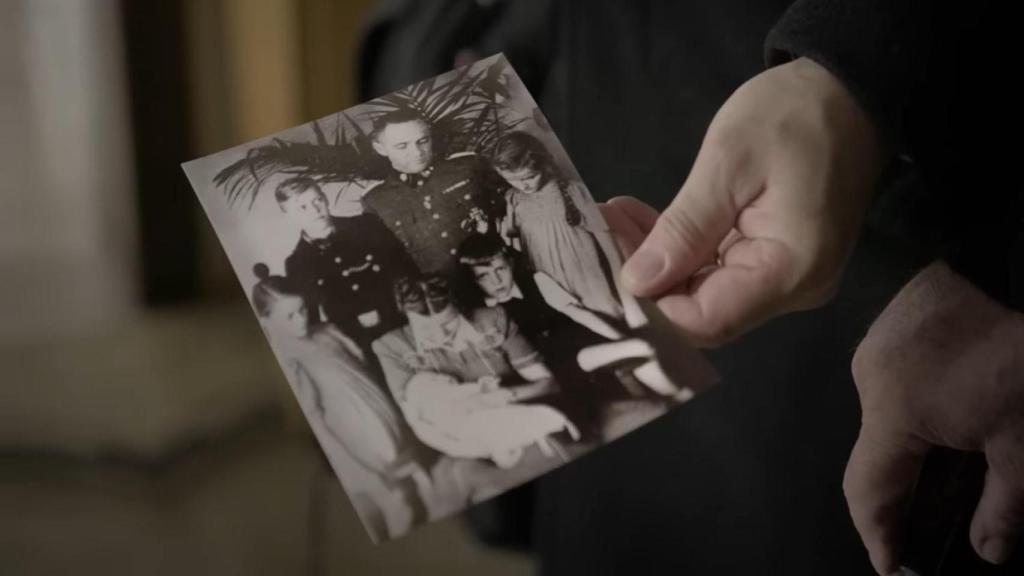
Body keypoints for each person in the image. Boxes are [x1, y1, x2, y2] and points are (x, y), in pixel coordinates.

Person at [249, 264, 426, 541]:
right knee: (383, 467)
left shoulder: (326, 331)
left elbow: (362, 363)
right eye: (290, 316)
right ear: (266, 322)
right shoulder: (288, 358)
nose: (301, 321)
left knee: (401, 444)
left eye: (303, 310)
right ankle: (396, 499)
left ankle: (412, 478)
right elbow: (313, 412)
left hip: (373, 401)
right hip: (350, 421)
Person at [277, 176, 417, 356]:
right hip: (364, 347)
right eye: (302, 207)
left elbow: (408, 271)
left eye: (317, 200)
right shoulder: (298, 263)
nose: (314, 210)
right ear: (288, 216)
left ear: (325, 198)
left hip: (409, 324)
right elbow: (313, 323)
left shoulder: (366, 226)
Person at [492, 131, 623, 319]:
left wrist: (630, 300)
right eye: (511, 180)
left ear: (544, 166)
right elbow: (515, 242)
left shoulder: (573, 191)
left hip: (588, 283)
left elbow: (612, 251)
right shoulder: (514, 198)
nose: (523, 186)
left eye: (529, 177)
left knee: (609, 323)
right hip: (550, 288)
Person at [362, 108, 506, 274]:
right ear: (380, 149)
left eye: (423, 141)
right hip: (441, 291)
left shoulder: (468, 166)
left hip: (495, 275)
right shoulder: (375, 200)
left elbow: (510, 209)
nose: (417, 152)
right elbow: (391, 258)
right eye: (402, 146)